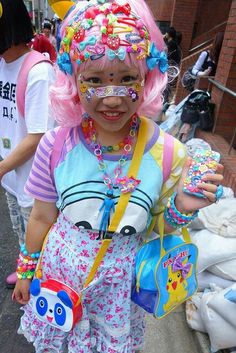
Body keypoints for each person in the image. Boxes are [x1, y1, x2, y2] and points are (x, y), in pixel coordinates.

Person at [13, 1, 224, 352]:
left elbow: (159, 228)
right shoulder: (55, 144)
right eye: (94, 80)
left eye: (126, 78)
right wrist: (26, 269)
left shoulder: (168, 153)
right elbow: (41, 215)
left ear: (147, 77)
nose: (111, 98)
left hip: (118, 290)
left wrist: (184, 206)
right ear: (74, 81)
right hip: (60, 276)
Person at [0, 0, 55, 288]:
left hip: (35, 180)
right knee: (19, 230)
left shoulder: (38, 72)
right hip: (11, 172)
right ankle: (26, 275)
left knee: (36, 235)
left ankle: (39, 289)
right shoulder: (2, 64)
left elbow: (39, 136)